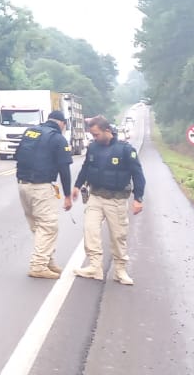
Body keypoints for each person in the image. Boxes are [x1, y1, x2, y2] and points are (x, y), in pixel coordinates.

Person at [72, 115, 146, 285]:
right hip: (95, 197)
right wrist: (77, 186)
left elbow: (138, 174)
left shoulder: (126, 150)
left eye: (96, 134)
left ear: (107, 131)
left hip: (116, 200)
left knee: (118, 236)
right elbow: (86, 168)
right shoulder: (93, 148)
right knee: (90, 230)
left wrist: (138, 198)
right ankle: (94, 267)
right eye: (92, 135)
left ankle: (120, 270)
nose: (94, 138)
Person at [14, 109, 74, 279]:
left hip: (23, 186)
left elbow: (17, 156)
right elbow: (64, 169)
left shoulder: (30, 132)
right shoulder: (57, 138)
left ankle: (47, 260)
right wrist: (67, 195)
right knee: (48, 226)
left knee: (38, 226)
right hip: (40, 187)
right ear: (61, 123)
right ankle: (38, 265)